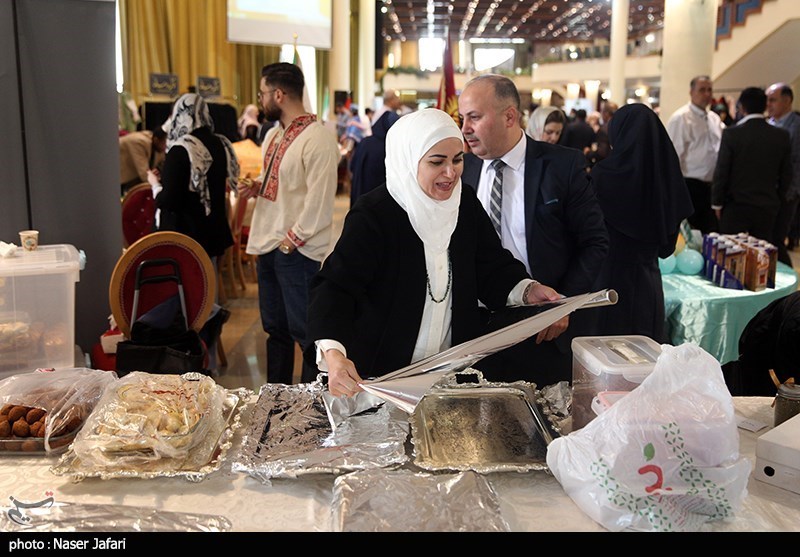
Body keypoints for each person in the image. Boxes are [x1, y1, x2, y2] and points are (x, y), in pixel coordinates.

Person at [305, 108, 564, 397]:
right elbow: (335, 288)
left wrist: (529, 290)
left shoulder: (464, 203)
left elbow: (491, 267)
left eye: (457, 159)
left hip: (451, 374)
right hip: (384, 374)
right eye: (436, 162)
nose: (450, 173)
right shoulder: (376, 214)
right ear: (409, 161)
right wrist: (334, 354)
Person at [458, 74, 609, 386]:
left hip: (542, 326)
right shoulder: (463, 169)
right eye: (462, 118)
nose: (465, 129)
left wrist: (563, 304)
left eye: (474, 117)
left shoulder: (560, 165)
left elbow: (594, 242)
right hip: (475, 330)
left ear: (509, 116)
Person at [239, 62, 339, 385]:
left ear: (278, 94)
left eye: (263, 93)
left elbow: (320, 201)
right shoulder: (273, 135)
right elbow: (281, 183)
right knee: (275, 332)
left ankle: (311, 405)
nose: (260, 99)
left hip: (295, 250)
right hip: (269, 244)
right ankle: (276, 400)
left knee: (305, 335)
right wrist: (256, 186)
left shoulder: (318, 138)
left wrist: (291, 241)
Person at [589, 103, 694, 343]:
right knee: (643, 357)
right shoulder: (667, 178)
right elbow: (668, 248)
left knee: (606, 360)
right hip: (647, 283)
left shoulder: (604, 175)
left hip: (607, 285)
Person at [154, 93, 239, 265]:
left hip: (184, 236)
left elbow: (170, 200)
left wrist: (154, 185)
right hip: (211, 232)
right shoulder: (220, 143)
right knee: (209, 286)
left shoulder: (180, 148)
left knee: (186, 289)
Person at [712, 87, 792, 243]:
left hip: (736, 205)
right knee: (761, 256)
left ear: (741, 107)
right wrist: (778, 200)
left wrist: (717, 203)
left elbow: (722, 171)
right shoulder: (781, 136)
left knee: (731, 252)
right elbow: (786, 174)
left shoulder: (732, 134)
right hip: (767, 206)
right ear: (765, 106)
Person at [666, 75, 724, 235]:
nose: (707, 94)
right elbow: (674, 156)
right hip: (690, 186)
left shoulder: (714, 118)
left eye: (710, 90)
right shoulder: (681, 118)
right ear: (691, 92)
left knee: (710, 233)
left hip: (711, 187)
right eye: (702, 90)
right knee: (692, 234)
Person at [766, 82, 800, 264]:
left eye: (773, 100)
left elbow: (796, 163)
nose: (768, 105)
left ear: (787, 101)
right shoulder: (770, 123)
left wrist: (789, 194)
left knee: (777, 239)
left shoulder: (796, 126)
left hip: (786, 194)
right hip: (769, 193)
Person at [348, 108, 399, 207]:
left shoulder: (365, 142)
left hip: (359, 195)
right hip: (377, 202)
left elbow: (352, 166)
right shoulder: (389, 147)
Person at [119, 127, 167, 195]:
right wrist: (156, 180)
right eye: (164, 143)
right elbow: (144, 175)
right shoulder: (138, 142)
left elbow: (162, 166)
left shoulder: (158, 146)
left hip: (129, 178)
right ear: (156, 140)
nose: (165, 147)